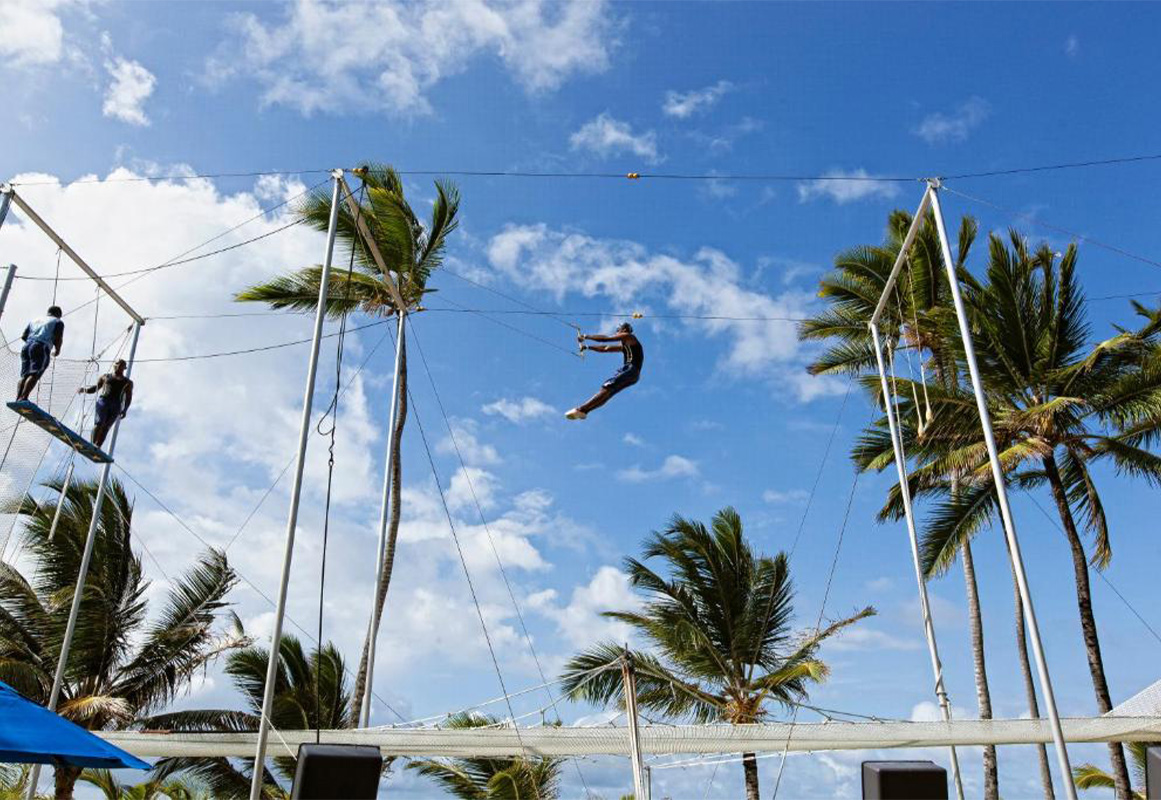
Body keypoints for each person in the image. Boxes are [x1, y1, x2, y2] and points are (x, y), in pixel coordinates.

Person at [565, 322, 643, 420]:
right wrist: (587, 347)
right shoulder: (625, 345)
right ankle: (584, 412)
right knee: (609, 392)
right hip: (634, 376)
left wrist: (585, 336)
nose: (617, 334)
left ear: (623, 330)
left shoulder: (628, 336)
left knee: (607, 387)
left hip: (631, 369)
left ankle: (581, 409)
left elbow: (605, 339)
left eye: (618, 331)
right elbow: (605, 348)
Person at [77, 359, 133, 448]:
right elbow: (95, 388)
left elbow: (128, 398)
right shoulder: (105, 377)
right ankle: (92, 444)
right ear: (114, 365)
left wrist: (125, 410)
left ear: (124, 368)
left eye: (121, 365)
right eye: (117, 364)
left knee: (106, 427)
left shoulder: (128, 382)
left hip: (116, 405)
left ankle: (97, 447)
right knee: (99, 423)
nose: (118, 366)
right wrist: (85, 390)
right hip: (104, 401)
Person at [16, 306, 64, 402]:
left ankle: (18, 398)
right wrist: (57, 350)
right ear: (58, 314)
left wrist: (32, 341)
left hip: (26, 347)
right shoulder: (58, 322)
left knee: (25, 375)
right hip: (41, 347)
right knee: (35, 373)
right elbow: (58, 337)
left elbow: (24, 336)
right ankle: (24, 398)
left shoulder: (34, 321)